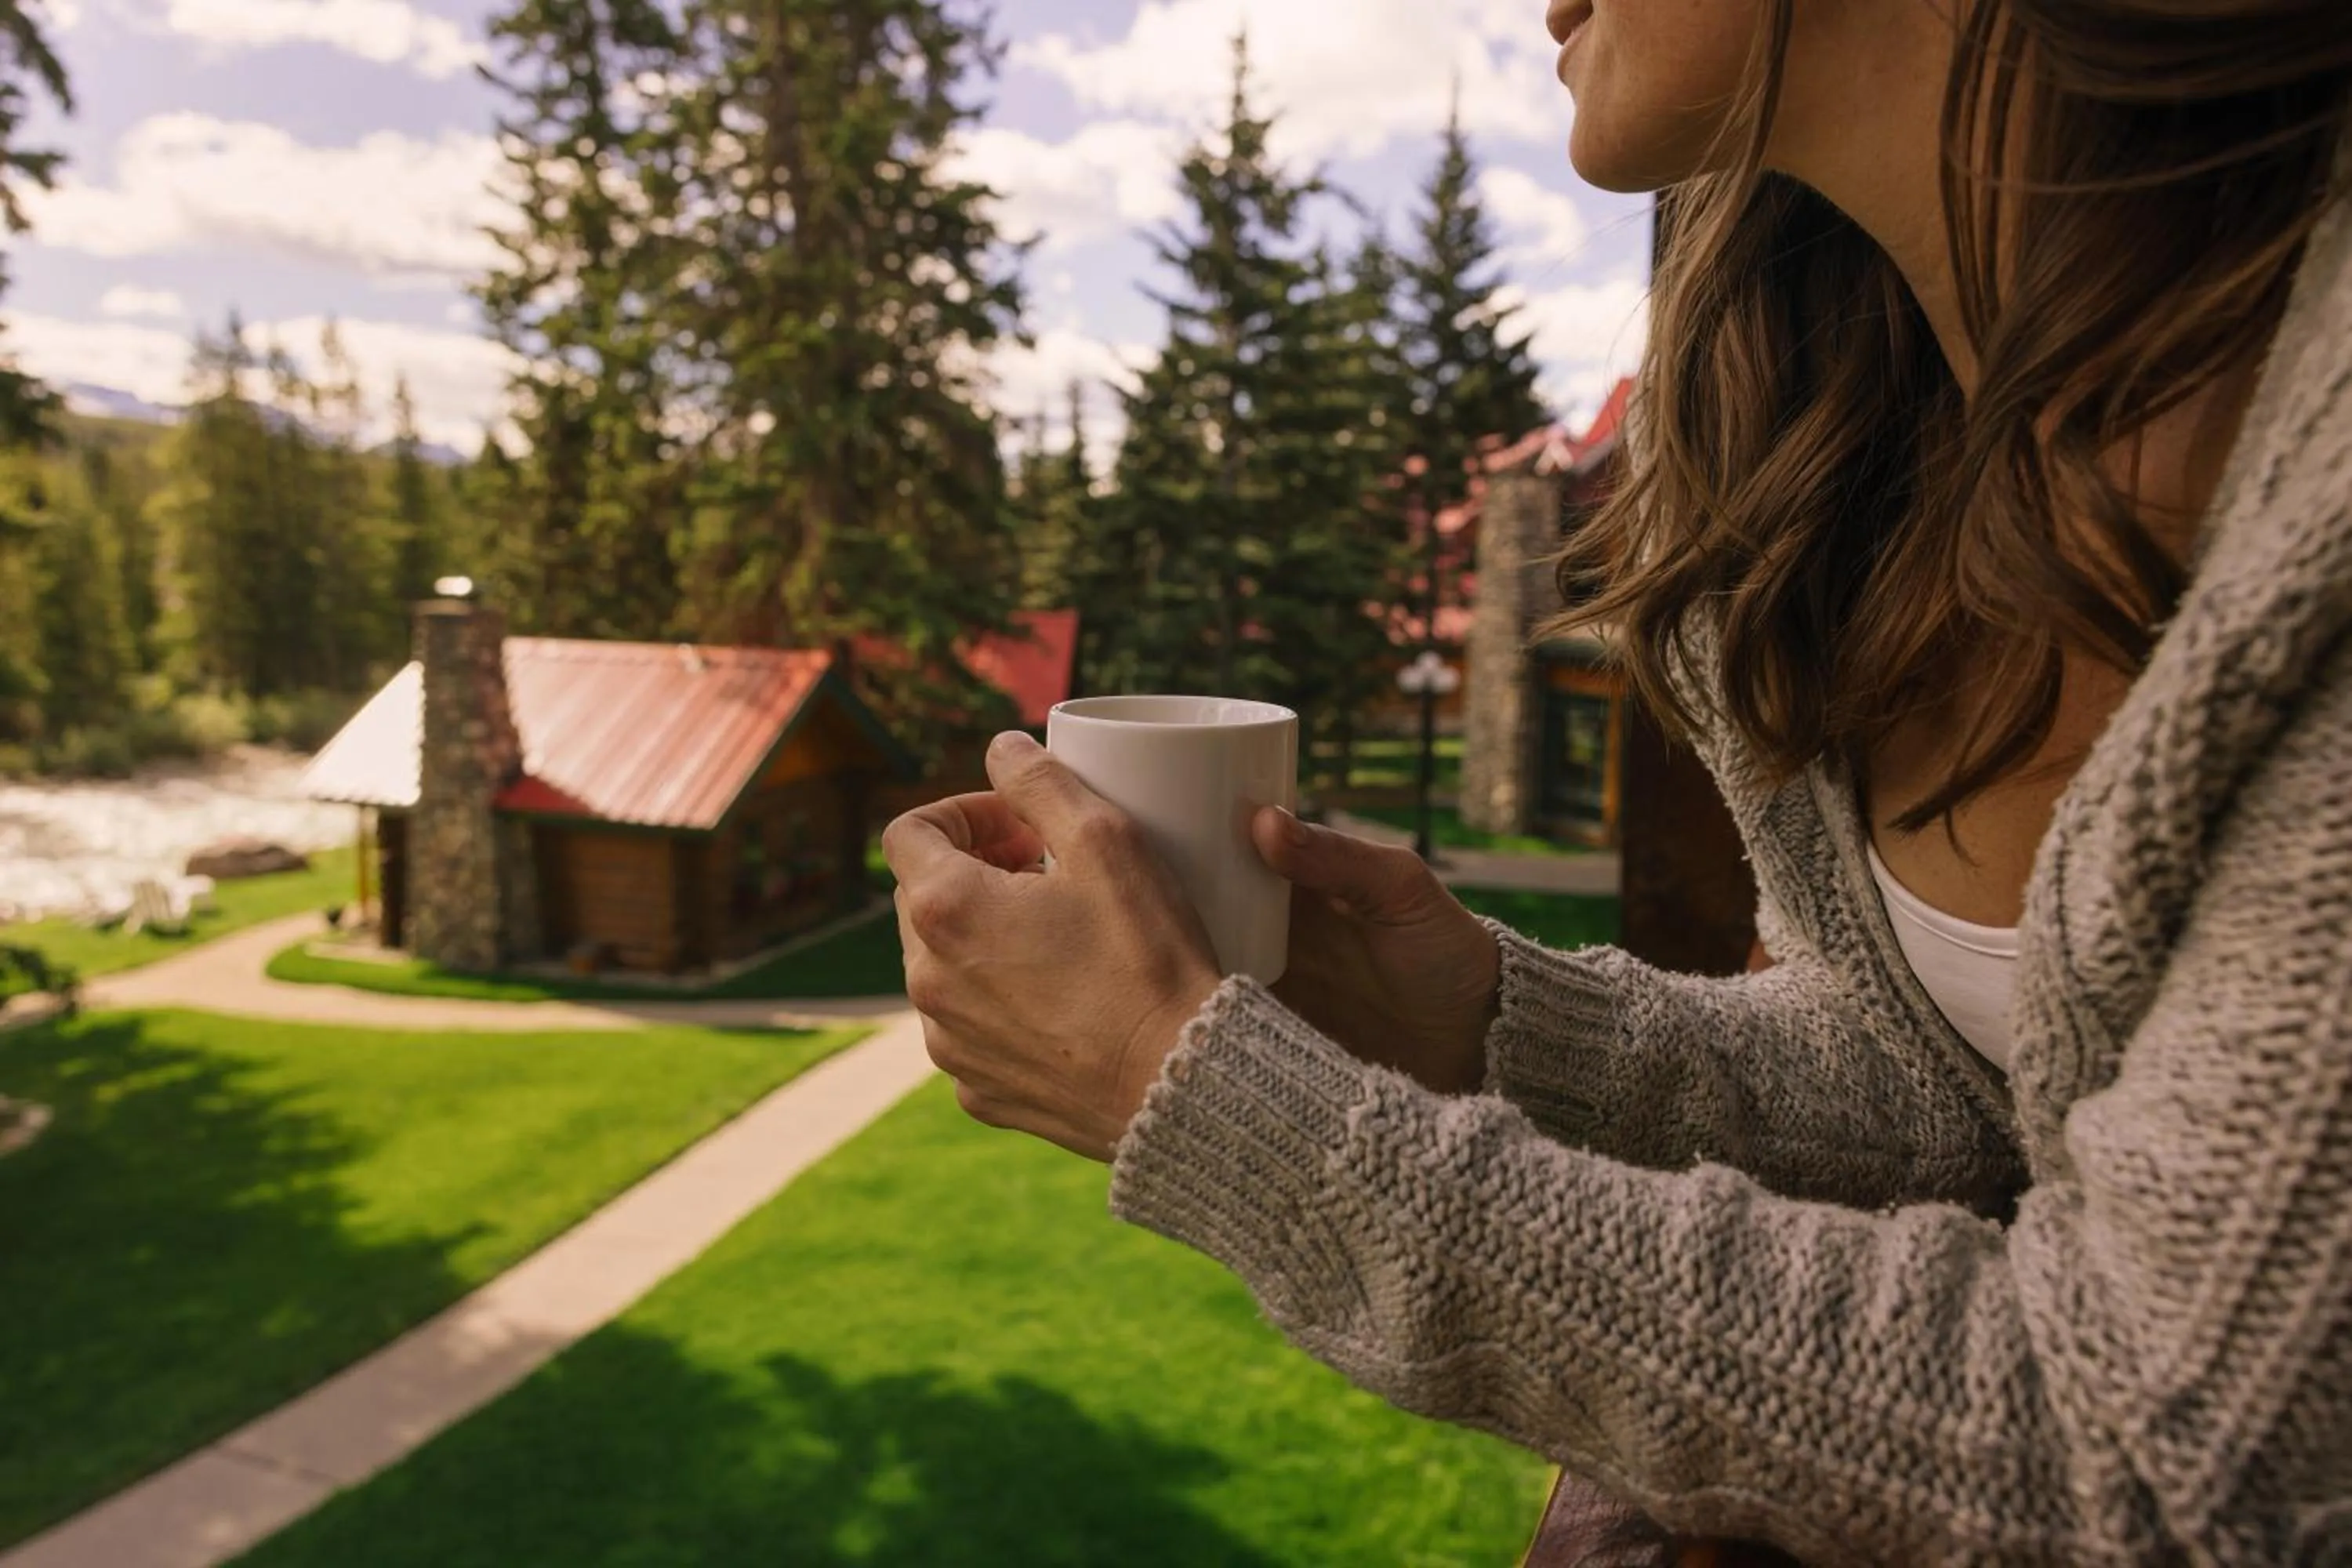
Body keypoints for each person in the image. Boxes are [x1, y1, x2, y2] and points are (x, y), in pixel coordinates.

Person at [882, 0, 2352, 1560]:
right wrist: (1491, 1027)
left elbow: (2171, 1464)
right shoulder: (1842, 458)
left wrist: (1223, 1114)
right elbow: (1958, 1084)